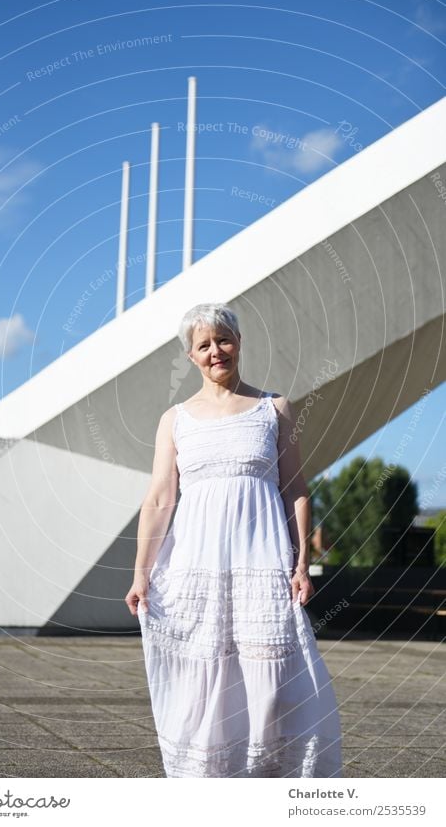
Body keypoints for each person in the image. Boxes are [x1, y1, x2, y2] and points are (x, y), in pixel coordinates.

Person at [125, 302, 343, 778]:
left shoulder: (274, 408)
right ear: (191, 356)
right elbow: (160, 497)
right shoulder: (175, 419)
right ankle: (208, 784)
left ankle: (270, 781)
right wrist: (141, 574)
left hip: (261, 563)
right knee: (202, 681)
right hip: (195, 567)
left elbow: (296, 489)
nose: (215, 351)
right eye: (203, 345)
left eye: (223, 340)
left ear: (238, 343)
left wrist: (301, 563)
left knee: (274, 674)